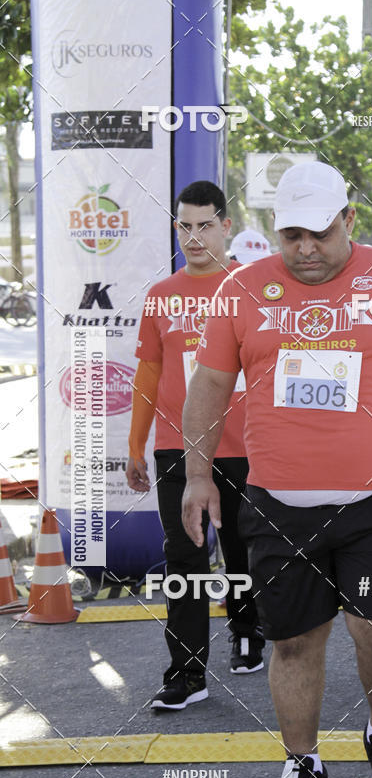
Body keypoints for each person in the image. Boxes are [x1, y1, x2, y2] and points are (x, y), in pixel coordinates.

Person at [181, 161, 372, 778]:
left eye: (319, 233)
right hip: (280, 505)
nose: (306, 249)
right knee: (293, 642)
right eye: (292, 236)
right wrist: (197, 475)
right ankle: (303, 763)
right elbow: (209, 386)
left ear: (349, 220)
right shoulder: (241, 289)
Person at [126, 180, 264, 712]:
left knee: (242, 550)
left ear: (226, 226)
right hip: (178, 447)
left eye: (205, 225)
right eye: (184, 226)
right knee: (183, 559)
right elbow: (148, 374)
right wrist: (136, 446)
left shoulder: (252, 287)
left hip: (244, 446)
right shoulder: (162, 295)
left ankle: (247, 631)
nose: (194, 236)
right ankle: (186, 673)